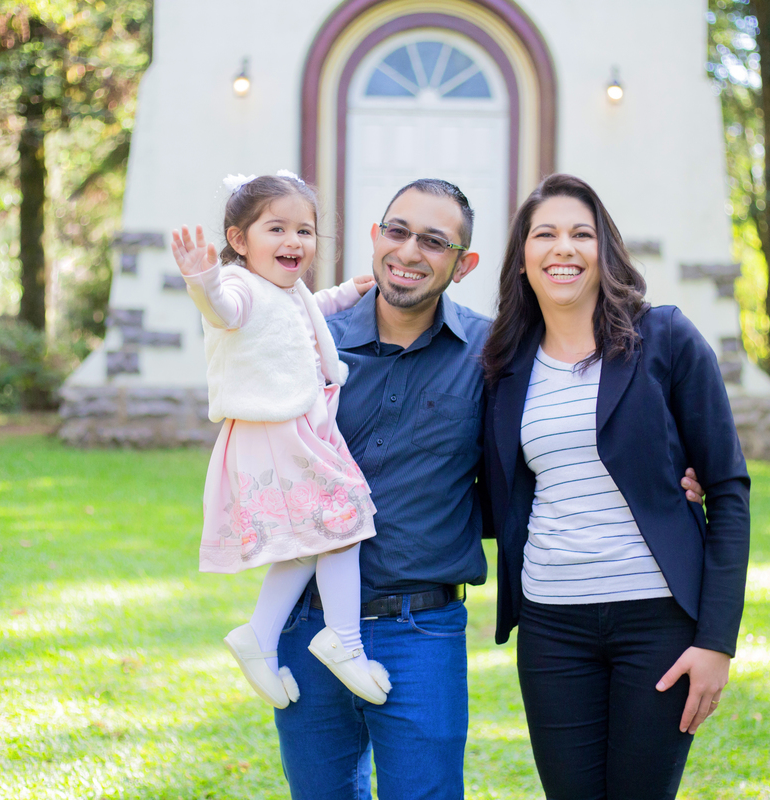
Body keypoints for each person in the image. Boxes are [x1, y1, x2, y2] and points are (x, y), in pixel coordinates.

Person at [270, 177, 710, 799]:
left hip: (420, 630)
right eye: (397, 231)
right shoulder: (312, 342)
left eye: (434, 241)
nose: (409, 251)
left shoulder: (496, 355)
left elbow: (538, 461)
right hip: (304, 619)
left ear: (463, 264)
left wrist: (674, 477)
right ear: (375, 237)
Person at [481, 174, 751, 799]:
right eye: (544, 234)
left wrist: (716, 642)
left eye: (582, 233)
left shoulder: (666, 338)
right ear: (522, 258)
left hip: (656, 623)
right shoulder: (504, 366)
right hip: (551, 627)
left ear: (606, 250)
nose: (563, 247)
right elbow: (494, 495)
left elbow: (728, 489)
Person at [170, 171, 392, 710]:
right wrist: (202, 280)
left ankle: (260, 635)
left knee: (311, 539)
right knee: (342, 524)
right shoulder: (239, 286)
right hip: (276, 432)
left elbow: (308, 310)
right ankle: (344, 639)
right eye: (276, 229)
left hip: (301, 428)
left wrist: (348, 293)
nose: (293, 241)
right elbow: (225, 310)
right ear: (240, 240)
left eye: (304, 231)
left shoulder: (286, 290)